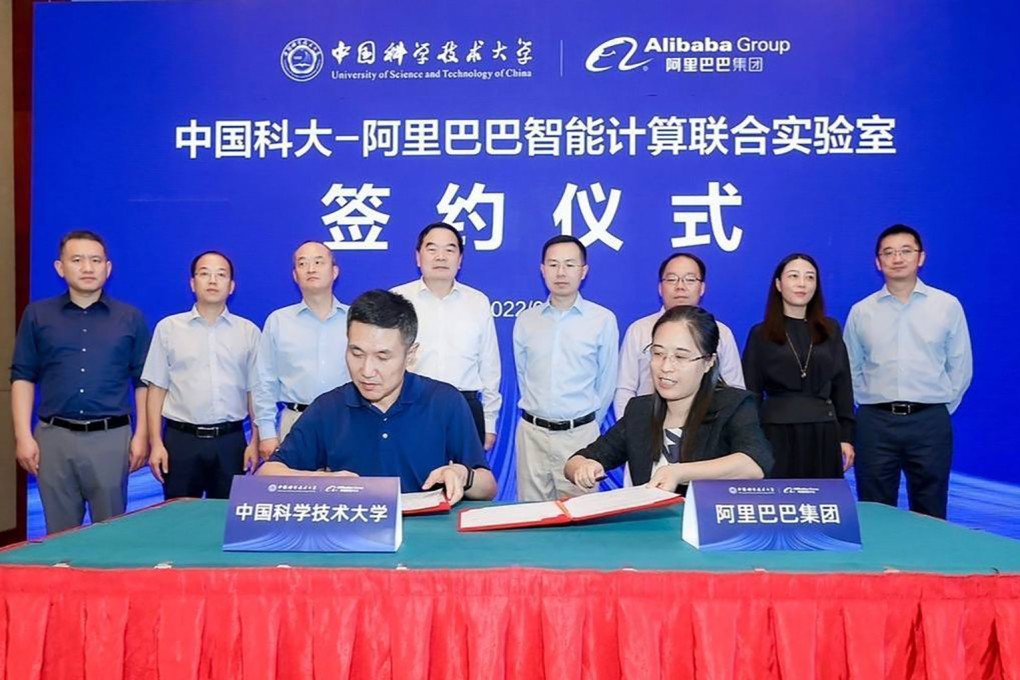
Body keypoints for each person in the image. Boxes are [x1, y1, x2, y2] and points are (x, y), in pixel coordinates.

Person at [258, 290, 497, 505]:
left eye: (383, 357)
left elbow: (488, 486)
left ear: (411, 355)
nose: (367, 370)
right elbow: (265, 476)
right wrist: (321, 481)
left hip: (426, 543)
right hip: (351, 540)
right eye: (356, 353)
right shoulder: (329, 407)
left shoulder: (444, 401)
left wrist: (462, 476)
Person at [10, 231, 150, 533]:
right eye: (77, 260)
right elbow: (22, 376)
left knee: (112, 535)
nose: (87, 267)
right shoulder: (37, 315)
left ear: (108, 268)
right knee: (59, 536)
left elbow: (143, 382)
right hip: (53, 438)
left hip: (111, 438)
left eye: (95, 260)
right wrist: (23, 436)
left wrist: (142, 435)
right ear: (60, 267)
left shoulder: (130, 318)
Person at [565, 305, 772, 493]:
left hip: (708, 529)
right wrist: (582, 467)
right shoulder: (640, 410)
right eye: (657, 353)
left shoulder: (734, 405)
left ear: (709, 361)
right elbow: (578, 460)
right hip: (652, 530)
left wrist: (678, 472)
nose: (665, 367)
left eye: (680, 357)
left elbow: (754, 464)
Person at [844, 225, 972, 519]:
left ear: (921, 257)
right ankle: (881, 565)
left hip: (929, 421)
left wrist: (936, 407)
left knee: (931, 505)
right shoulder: (862, 311)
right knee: (875, 508)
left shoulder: (946, 306)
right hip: (876, 422)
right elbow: (850, 368)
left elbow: (960, 366)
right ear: (878, 262)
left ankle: (930, 565)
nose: (897, 258)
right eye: (888, 253)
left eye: (905, 251)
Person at [142, 251, 261, 499]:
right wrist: (156, 444)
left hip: (231, 442)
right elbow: (156, 390)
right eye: (204, 273)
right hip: (181, 441)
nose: (212, 280)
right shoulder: (168, 328)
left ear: (232, 286)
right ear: (192, 283)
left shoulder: (248, 331)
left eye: (221, 275)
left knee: (226, 523)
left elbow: (256, 391)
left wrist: (255, 442)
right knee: (179, 522)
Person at [513, 235, 618, 501]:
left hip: (580, 436)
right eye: (553, 264)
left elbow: (606, 382)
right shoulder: (526, 320)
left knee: (579, 522)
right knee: (531, 518)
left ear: (584, 271)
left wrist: (584, 423)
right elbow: (523, 376)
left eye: (570, 265)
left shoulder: (602, 320)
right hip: (532, 435)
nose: (561, 272)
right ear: (542, 269)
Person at [742, 253, 855, 478]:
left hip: (824, 431)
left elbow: (843, 386)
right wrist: (749, 439)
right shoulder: (760, 333)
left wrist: (846, 436)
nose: (802, 283)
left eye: (810, 277)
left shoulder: (830, 330)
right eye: (793, 276)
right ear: (778, 284)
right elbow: (750, 392)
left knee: (822, 502)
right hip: (775, 433)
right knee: (779, 503)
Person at [391, 222, 501, 450]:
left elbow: (489, 365)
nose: (441, 256)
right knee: (412, 480)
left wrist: (489, 421)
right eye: (432, 249)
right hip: (410, 405)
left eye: (449, 250)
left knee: (466, 481)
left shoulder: (477, 301)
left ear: (460, 259)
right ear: (418, 257)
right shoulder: (397, 299)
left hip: (465, 408)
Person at [615, 252, 744, 421]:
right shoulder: (639, 330)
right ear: (660, 288)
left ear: (702, 288)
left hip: (706, 428)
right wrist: (631, 431)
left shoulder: (722, 332)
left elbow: (735, 387)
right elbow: (625, 388)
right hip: (650, 426)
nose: (680, 286)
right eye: (672, 279)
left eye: (690, 279)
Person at [254, 241, 350, 459]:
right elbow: (264, 380)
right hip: (295, 421)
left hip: (347, 421)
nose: (311, 269)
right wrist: (267, 433)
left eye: (318, 262)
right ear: (295, 275)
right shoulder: (278, 321)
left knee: (346, 490)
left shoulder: (355, 319)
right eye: (302, 263)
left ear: (334, 271)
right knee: (296, 491)